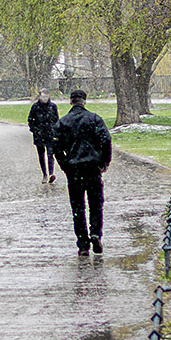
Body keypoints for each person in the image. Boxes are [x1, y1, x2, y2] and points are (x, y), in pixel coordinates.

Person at [53, 89, 112, 256]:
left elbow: (56, 148)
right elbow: (106, 140)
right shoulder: (94, 119)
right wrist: (104, 161)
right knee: (96, 203)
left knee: (78, 207)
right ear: (84, 101)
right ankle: (95, 233)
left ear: (71, 101)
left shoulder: (63, 122)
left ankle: (83, 242)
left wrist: (65, 165)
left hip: (74, 169)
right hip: (93, 167)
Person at [27, 89, 59, 183]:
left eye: (46, 96)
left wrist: (55, 131)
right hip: (39, 134)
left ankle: (50, 173)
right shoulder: (35, 107)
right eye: (43, 96)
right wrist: (34, 129)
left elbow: (56, 119)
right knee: (41, 155)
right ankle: (44, 174)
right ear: (40, 96)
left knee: (50, 154)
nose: (45, 98)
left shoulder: (53, 106)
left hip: (50, 134)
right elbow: (30, 119)